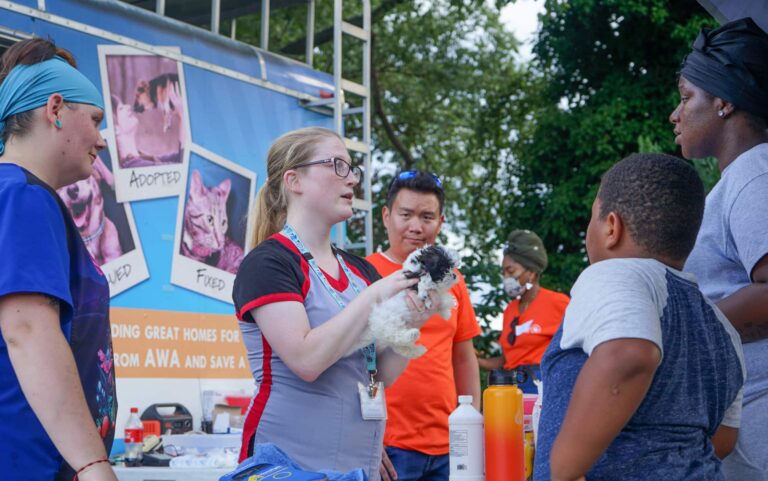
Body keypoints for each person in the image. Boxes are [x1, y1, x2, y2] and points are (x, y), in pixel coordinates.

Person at [232, 128, 441, 480]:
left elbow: (379, 374)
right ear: (294, 180)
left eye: (353, 169)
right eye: (337, 166)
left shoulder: (360, 271)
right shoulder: (269, 263)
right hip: (288, 466)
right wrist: (374, 297)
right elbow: (307, 360)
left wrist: (413, 321)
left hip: (356, 466)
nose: (353, 180)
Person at [533, 153, 745, 481]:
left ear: (612, 227)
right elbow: (724, 438)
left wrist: (561, 469)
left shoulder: (614, 273)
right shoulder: (722, 327)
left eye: (592, 217)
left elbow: (629, 354)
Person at [0, 39, 118, 480]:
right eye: (95, 120)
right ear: (55, 109)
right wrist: (92, 465)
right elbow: (28, 330)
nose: (102, 140)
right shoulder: (23, 195)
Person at [669, 17, 768, 480]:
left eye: (687, 97)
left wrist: (680, 331)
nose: (676, 114)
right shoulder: (740, 179)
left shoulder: (755, 175)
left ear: (724, 101)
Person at [366, 170, 481, 481]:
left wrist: (474, 428)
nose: (416, 226)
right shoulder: (363, 274)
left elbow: (463, 356)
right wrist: (365, 441)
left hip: (450, 443)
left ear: (440, 222)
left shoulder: (452, 281)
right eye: (406, 214)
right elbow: (356, 366)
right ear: (386, 217)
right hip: (388, 448)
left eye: (427, 216)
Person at [476, 229, 569, 393]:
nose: (506, 277)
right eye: (503, 272)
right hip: (512, 387)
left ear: (531, 272)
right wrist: (474, 359)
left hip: (543, 387)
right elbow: (508, 360)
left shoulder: (558, 303)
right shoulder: (510, 311)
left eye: (511, 271)